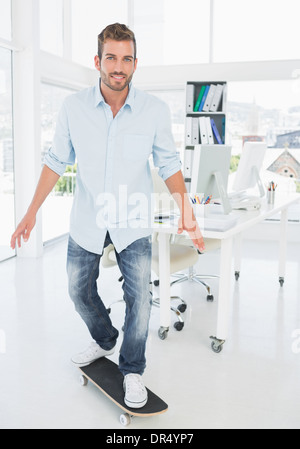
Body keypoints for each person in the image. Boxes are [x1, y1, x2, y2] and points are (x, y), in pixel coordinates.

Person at [11, 23, 205, 408]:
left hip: (131, 222)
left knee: (140, 301)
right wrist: (31, 211)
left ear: (135, 63)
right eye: (111, 58)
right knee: (76, 290)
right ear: (98, 61)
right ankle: (104, 338)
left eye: (127, 58)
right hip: (87, 218)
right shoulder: (73, 108)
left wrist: (186, 209)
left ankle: (131, 369)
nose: (119, 66)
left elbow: (168, 164)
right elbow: (55, 162)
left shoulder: (153, 111)